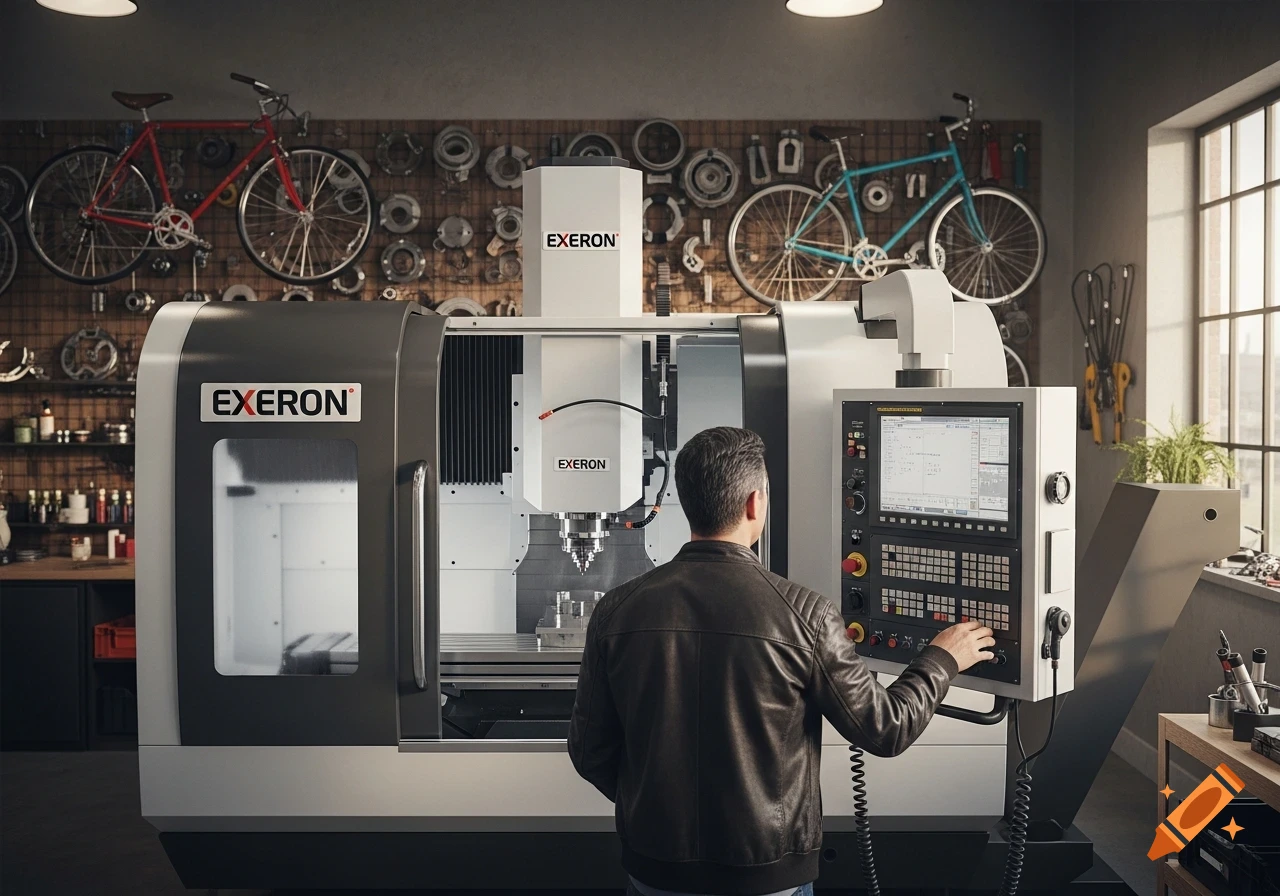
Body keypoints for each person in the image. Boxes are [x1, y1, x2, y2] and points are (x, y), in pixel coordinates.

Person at [568, 426, 996, 896]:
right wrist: (941, 659)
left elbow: (589, 752)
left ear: (687, 503)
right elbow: (886, 728)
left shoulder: (617, 608)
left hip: (654, 872)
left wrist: (650, 807)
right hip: (769, 877)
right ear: (755, 503)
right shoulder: (805, 615)